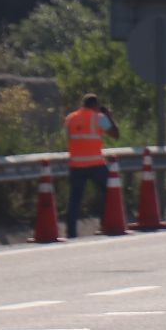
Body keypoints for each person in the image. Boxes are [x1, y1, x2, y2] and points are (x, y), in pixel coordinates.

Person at [63, 92, 119, 237]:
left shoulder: (71, 118)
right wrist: (108, 116)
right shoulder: (99, 118)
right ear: (95, 105)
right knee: (110, 191)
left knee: (75, 199)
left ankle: (71, 232)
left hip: (76, 164)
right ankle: (104, 222)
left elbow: (69, 138)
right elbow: (115, 134)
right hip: (95, 164)